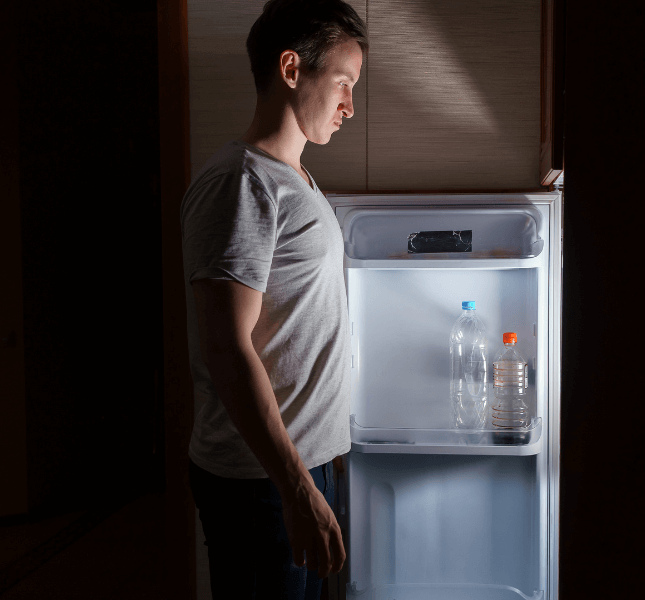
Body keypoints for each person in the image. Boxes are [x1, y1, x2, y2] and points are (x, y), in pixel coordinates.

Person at [180, 1, 367, 597]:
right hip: (262, 478)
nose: (350, 106)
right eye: (343, 83)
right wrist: (295, 488)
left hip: (298, 465)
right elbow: (226, 347)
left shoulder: (296, 179)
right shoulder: (243, 183)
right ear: (291, 69)